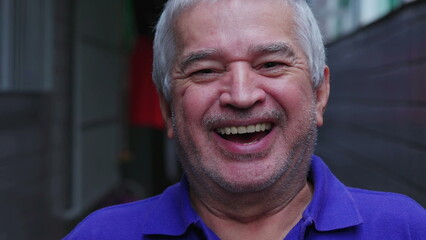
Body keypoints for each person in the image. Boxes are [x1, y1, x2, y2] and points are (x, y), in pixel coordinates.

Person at [64, 0, 426, 239]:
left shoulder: (404, 229)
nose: (240, 95)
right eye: (205, 70)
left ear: (319, 94)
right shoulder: (99, 235)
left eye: (270, 64)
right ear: (167, 109)